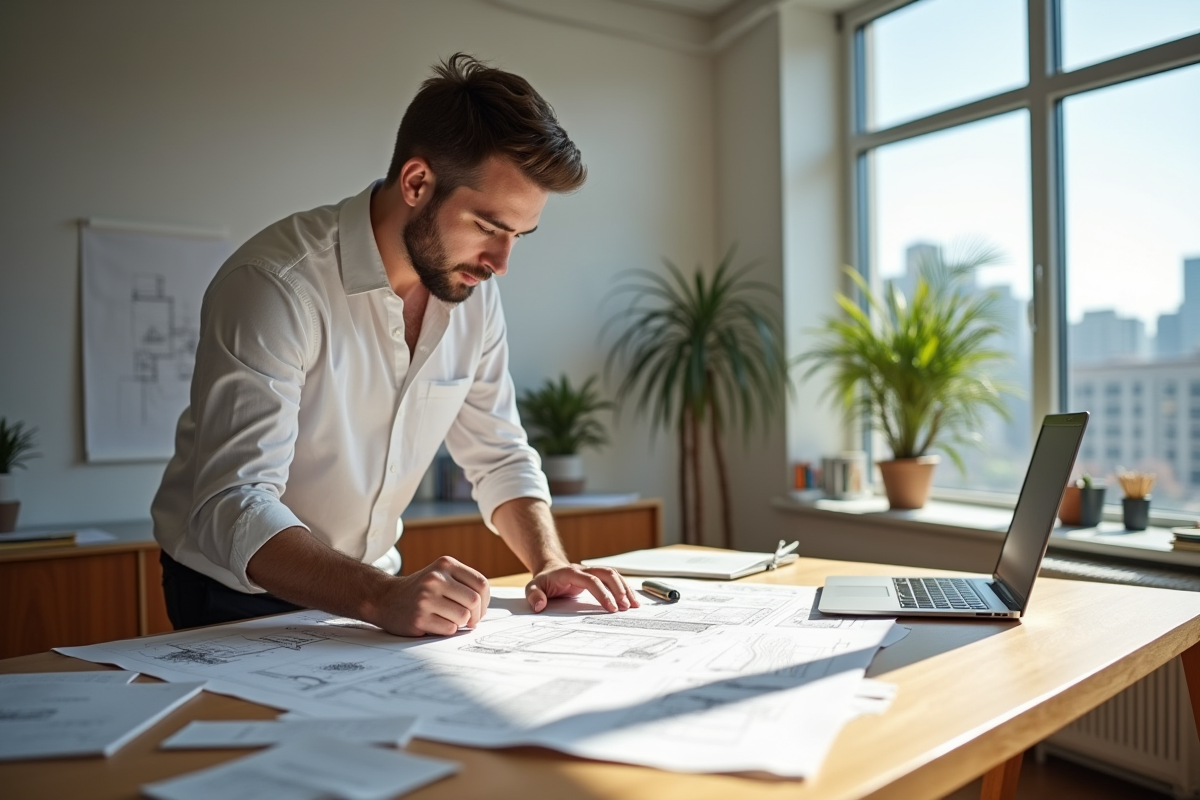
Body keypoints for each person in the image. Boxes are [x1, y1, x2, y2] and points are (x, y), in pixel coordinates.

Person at [151, 53, 637, 636]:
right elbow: (233, 502)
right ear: (416, 182)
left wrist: (549, 561)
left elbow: (499, 455)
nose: (501, 262)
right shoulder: (273, 286)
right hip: (238, 593)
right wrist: (380, 597)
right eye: (488, 227)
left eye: (518, 235)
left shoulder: (472, 295)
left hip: (373, 588)